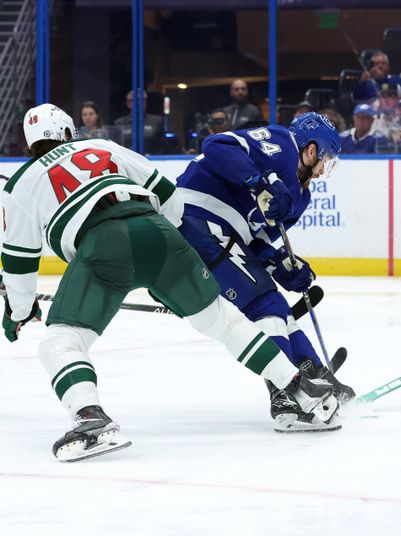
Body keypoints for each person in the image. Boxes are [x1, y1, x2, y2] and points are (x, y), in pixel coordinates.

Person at [0, 104, 340, 462]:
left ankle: (90, 418)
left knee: (61, 339)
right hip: (162, 233)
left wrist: (20, 311)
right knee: (223, 320)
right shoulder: (100, 147)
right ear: (70, 132)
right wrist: (167, 249)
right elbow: (164, 189)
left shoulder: (22, 183)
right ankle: (300, 390)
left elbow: (20, 263)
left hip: (101, 251)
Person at [175, 111, 355, 428]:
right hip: (194, 216)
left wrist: (282, 265)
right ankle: (287, 394)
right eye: (325, 157)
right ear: (311, 150)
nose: (324, 167)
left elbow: (256, 240)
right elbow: (216, 146)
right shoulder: (281, 143)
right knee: (265, 303)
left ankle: (313, 373)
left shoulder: (300, 197)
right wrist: (259, 182)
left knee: (278, 307)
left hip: (226, 236)